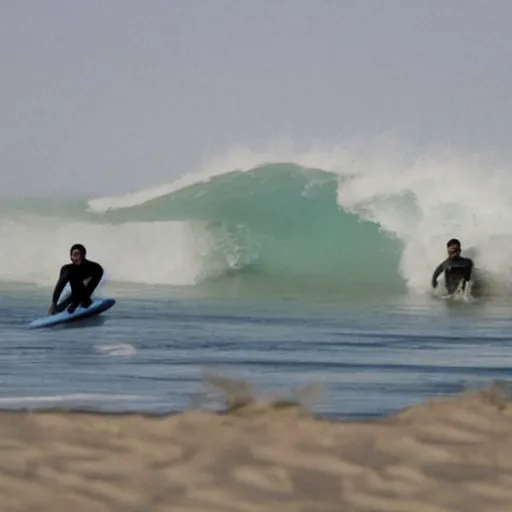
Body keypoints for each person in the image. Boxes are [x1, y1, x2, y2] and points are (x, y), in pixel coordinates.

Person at [48, 244, 104, 315]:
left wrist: (84, 298)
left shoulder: (95, 267)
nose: (77, 257)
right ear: (71, 257)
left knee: (83, 300)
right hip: (70, 289)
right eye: (74, 255)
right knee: (59, 307)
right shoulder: (67, 270)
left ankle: (81, 300)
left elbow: (92, 285)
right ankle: (74, 300)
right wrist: (54, 303)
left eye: (79, 254)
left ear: (84, 255)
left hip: (83, 290)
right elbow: (60, 286)